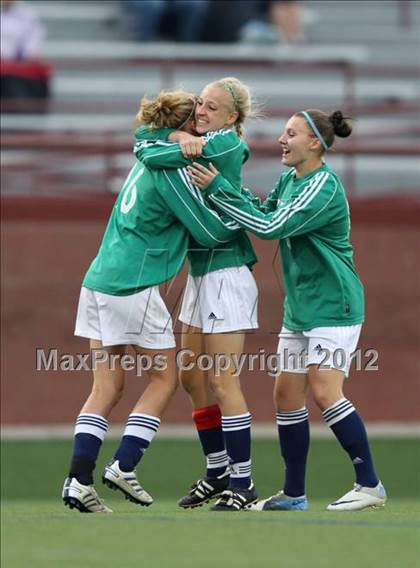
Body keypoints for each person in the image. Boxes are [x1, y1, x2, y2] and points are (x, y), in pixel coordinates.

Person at [187, 108, 387, 512]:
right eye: (283, 132)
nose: (282, 139)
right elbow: (262, 212)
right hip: (301, 308)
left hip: (335, 305)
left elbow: (270, 227)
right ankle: (294, 494)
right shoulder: (289, 180)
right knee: (285, 395)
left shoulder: (323, 186)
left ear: (315, 143)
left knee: (325, 390)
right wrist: (225, 189)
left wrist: (219, 189)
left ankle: (369, 484)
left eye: (291, 133)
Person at [62, 90, 242, 513]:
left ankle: (77, 481)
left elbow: (146, 138)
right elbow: (207, 233)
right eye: (195, 123)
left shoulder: (148, 155)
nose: (201, 127)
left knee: (106, 387)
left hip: (98, 280)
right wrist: (239, 213)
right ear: (182, 127)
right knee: (164, 379)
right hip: (134, 284)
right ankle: (125, 464)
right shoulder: (173, 170)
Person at [134, 77, 260, 511]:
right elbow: (145, 138)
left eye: (212, 108)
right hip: (200, 273)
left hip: (227, 273)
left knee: (224, 380)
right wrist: (177, 134)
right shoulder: (198, 136)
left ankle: (244, 483)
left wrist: (167, 142)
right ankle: (218, 469)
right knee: (191, 377)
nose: (201, 112)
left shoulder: (226, 144)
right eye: (200, 104)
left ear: (232, 117)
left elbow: (146, 149)